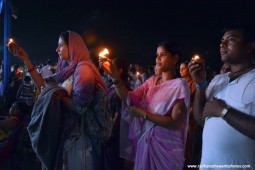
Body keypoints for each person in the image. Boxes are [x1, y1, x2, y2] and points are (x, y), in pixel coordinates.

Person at [7, 31, 106, 170]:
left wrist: (55, 96)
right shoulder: (66, 70)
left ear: (72, 47)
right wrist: (25, 58)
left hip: (74, 140)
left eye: (60, 45)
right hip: (61, 134)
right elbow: (43, 84)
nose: (57, 49)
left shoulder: (83, 70)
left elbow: (80, 107)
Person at [101, 41, 190, 170]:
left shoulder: (180, 85)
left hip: (167, 148)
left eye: (163, 55)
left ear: (175, 58)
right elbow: (128, 97)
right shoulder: (151, 82)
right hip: (146, 143)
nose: (158, 59)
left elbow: (175, 122)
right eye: (157, 55)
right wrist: (115, 78)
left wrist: (143, 114)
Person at [188, 23, 255, 168]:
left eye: (230, 39)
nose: (222, 44)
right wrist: (200, 84)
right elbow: (200, 119)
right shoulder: (219, 79)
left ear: (249, 47)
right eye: (222, 41)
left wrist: (224, 111)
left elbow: (219, 111)